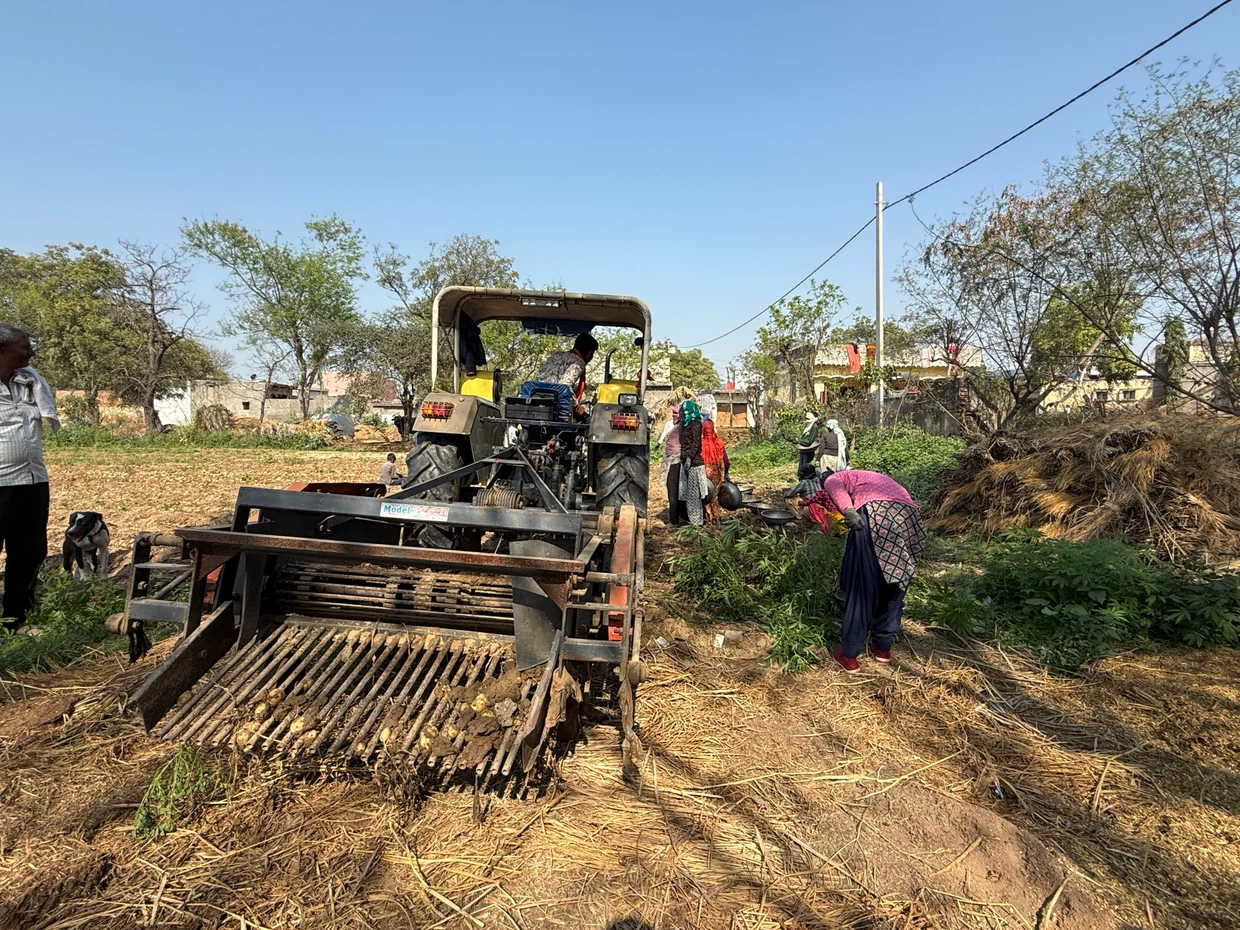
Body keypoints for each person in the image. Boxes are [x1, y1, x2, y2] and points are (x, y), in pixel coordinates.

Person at [804, 469, 926, 673]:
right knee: (894, 580)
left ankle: (849, 654)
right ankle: (883, 648)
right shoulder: (873, 478)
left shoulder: (837, 477)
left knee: (862, 583)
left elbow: (834, 487)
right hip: (908, 518)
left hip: (876, 513)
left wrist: (849, 510)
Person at [0, 326, 60, 631]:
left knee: (29, 552)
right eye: (24, 347)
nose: (30, 352)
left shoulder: (30, 381)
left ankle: (15, 619)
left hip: (33, 480)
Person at [533, 333, 599, 418]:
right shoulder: (578, 362)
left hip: (535, 400)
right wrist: (577, 406)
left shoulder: (557, 355)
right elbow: (565, 386)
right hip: (552, 407)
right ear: (590, 353)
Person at [698, 394, 730, 524]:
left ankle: (707, 517)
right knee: (715, 496)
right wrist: (726, 471)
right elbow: (726, 461)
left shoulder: (700, 444)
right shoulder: (719, 443)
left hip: (705, 473)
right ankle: (716, 517)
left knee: (705, 495)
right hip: (717, 474)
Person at [677, 399, 707, 526]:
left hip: (694, 463)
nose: (684, 413)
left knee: (694, 496)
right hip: (685, 461)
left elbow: (696, 443)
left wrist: (689, 458)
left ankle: (697, 522)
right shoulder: (684, 424)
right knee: (685, 495)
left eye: (686, 411)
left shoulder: (696, 423)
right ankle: (690, 519)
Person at [659, 402, 684, 526]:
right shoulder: (670, 425)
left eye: (677, 413)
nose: (674, 415)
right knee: (672, 489)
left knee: (675, 490)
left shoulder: (684, 426)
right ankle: (676, 517)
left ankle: (675, 519)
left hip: (677, 461)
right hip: (669, 459)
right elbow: (664, 435)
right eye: (673, 413)